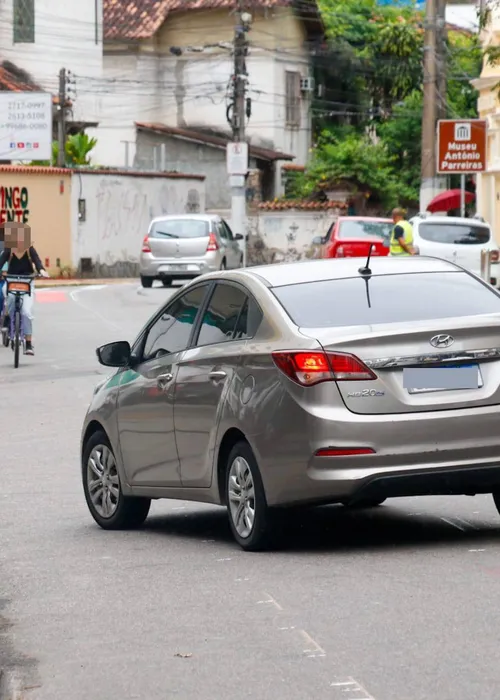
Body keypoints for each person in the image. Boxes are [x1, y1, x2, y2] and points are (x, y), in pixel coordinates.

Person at [0, 223, 49, 355]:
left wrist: (42, 271)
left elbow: (37, 261)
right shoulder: (9, 250)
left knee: (27, 312)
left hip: (27, 282)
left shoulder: (30, 249)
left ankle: (28, 343)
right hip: (11, 281)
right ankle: (7, 320)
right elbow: (1, 261)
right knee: (6, 296)